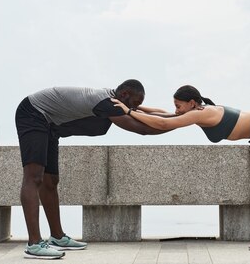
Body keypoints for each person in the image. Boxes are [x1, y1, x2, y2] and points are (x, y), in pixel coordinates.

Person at [113, 85, 250, 259]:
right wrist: (138, 109)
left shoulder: (201, 113)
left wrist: (128, 112)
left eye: (179, 106)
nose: (177, 110)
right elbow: (165, 115)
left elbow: (164, 124)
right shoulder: (197, 112)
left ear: (192, 104)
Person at [15, 79, 169, 259]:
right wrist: (185, 122)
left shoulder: (116, 99)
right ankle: (34, 244)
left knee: (50, 180)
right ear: (125, 94)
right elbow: (143, 128)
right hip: (33, 114)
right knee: (34, 178)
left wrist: (186, 116)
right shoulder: (106, 103)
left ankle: (57, 237)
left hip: (50, 125)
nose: (134, 109)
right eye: (134, 104)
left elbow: (154, 115)